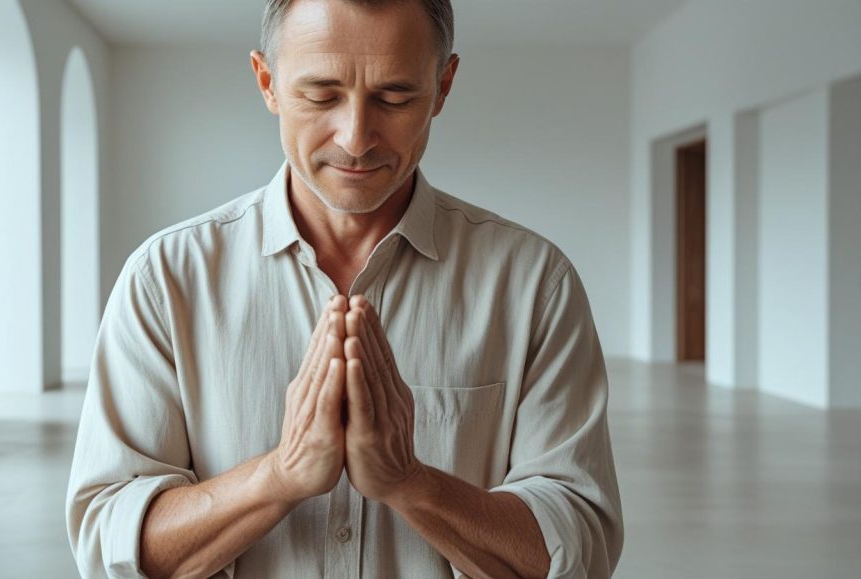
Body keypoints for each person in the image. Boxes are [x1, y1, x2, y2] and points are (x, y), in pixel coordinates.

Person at [65, 0, 623, 577]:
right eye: (321, 95)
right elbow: (112, 543)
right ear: (267, 82)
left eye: (395, 97)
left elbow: (579, 546)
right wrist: (277, 478)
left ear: (443, 85)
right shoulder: (164, 279)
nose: (356, 139)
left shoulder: (535, 284)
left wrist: (412, 485)